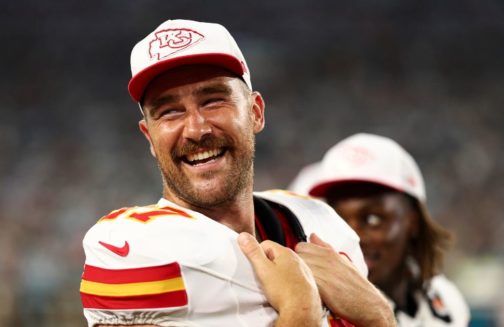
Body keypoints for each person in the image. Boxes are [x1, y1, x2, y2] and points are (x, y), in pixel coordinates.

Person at [79, 20, 395, 327]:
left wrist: (381, 315)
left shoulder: (323, 226)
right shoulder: (134, 250)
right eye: (170, 111)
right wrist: (301, 312)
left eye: (214, 100)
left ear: (255, 113)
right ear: (149, 137)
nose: (196, 129)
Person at [292, 133, 471, 326]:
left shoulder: (446, 299)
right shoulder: (312, 313)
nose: (351, 237)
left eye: (373, 219)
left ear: (413, 222)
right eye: (337, 219)